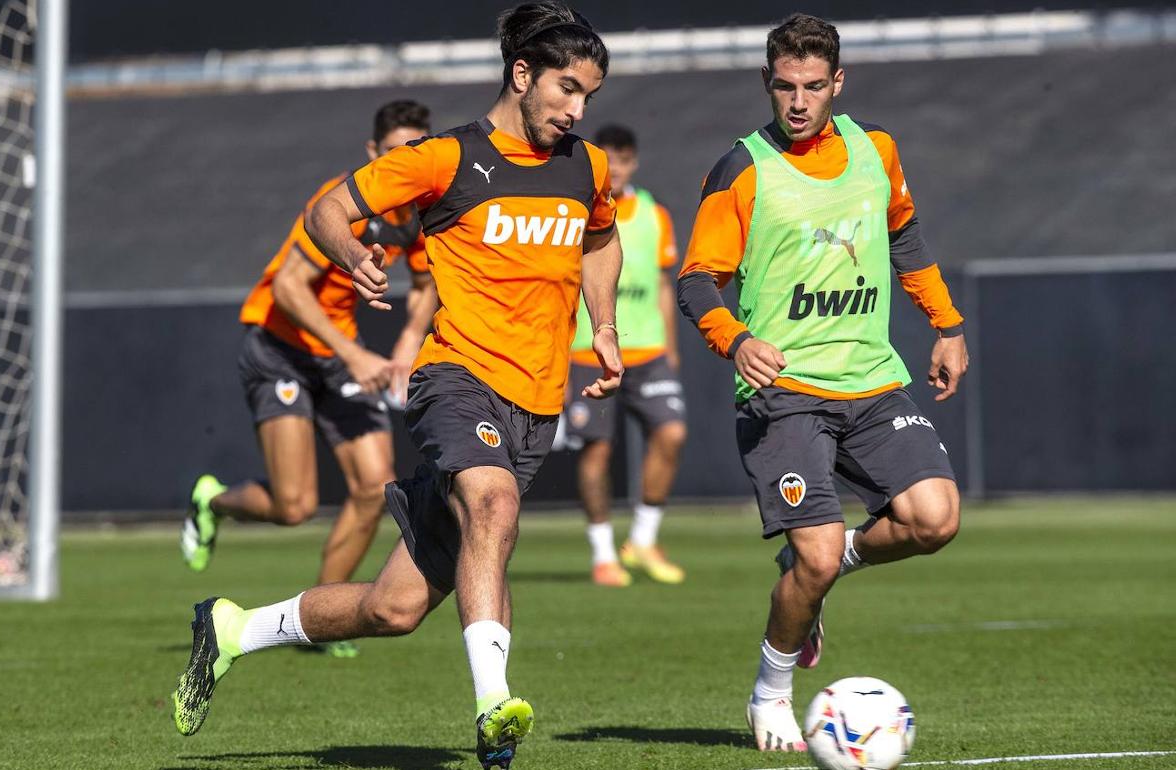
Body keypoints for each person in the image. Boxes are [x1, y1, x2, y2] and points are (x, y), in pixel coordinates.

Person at [171, 5, 621, 769]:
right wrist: (350, 253)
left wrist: (602, 324)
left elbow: (602, 239)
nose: (578, 109)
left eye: (589, 96)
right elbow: (329, 210)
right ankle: (492, 714)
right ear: (522, 75)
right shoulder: (445, 159)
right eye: (567, 89)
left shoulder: (588, 167)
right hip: (456, 380)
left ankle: (236, 629)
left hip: (536, 402)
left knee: (397, 605)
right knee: (494, 504)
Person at [677, 13, 969, 753]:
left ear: (838, 82)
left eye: (813, 86)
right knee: (812, 553)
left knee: (935, 520)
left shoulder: (877, 149)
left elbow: (903, 233)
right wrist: (735, 340)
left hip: (871, 381)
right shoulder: (741, 167)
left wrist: (947, 323)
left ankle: (830, 557)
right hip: (786, 394)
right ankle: (770, 693)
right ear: (767, 84)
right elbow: (698, 280)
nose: (798, 101)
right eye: (784, 86)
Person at [179, 100, 438, 659]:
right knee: (294, 507)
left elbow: (425, 287)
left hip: (340, 356)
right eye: (394, 150)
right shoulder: (339, 203)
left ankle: (319, 622)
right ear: (373, 153)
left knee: (375, 488)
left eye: (416, 149)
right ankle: (213, 502)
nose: (405, 161)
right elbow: (289, 290)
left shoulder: (420, 214)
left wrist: (401, 348)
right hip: (281, 350)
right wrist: (356, 353)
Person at [564, 124, 687, 587]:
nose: (615, 168)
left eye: (623, 160)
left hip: (649, 350)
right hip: (587, 351)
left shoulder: (655, 215)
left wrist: (671, 350)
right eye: (607, 160)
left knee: (672, 433)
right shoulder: (575, 211)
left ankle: (643, 538)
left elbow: (660, 285)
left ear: (634, 163)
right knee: (596, 453)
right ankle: (601, 554)